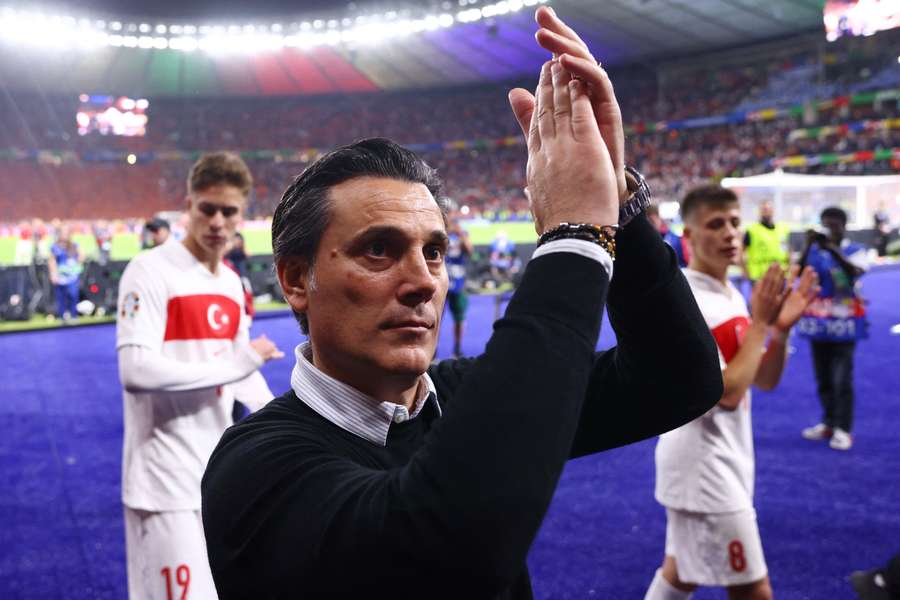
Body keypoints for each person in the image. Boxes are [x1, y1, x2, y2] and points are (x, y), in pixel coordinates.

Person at [202, 9, 724, 599]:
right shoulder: (256, 464)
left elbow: (680, 378)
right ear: (296, 280)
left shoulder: (454, 401)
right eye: (379, 250)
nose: (422, 280)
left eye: (434, 251)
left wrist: (620, 212)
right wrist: (575, 238)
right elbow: (446, 547)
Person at [116, 151, 283, 600]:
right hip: (163, 480)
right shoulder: (149, 271)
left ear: (241, 215)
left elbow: (240, 370)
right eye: (206, 208)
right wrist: (238, 362)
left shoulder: (231, 283)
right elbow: (135, 369)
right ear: (187, 205)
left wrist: (283, 417)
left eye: (228, 212)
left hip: (216, 472)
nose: (216, 222)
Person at [645, 184, 818, 600]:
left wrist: (778, 332)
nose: (729, 233)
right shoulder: (686, 301)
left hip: (723, 458)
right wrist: (760, 323)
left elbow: (763, 380)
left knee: (679, 574)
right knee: (754, 590)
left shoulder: (730, 295)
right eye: (715, 224)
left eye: (735, 223)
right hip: (705, 468)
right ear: (687, 237)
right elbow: (724, 393)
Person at [797, 206, 869, 451]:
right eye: (825, 224)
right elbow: (798, 271)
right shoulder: (816, 252)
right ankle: (828, 422)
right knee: (823, 377)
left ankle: (843, 428)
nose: (829, 229)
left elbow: (855, 272)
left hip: (846, 324)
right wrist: (808, 245)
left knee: (842, 378)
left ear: (843, 225)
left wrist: (833, 251)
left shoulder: (855, 250)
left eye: (833, 224)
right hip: (818, 323)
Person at [742, 200, 790, 285]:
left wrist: (789, 268)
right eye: (764, 210)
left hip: (780, 275)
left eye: (769, 209)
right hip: (759, 277)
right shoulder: (752, 230)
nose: (767, 212)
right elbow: (742, 253)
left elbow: (787, 251)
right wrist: (746, 272)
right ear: (760, 212)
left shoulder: (783, 229)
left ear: (773, 211)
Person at [444, 218, 473, 357]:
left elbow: (470, 251)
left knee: (459, 317)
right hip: (440, 280)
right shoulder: (440, 231)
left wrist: (461, 234)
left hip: (458, 282)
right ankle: (431, 349)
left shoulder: (462, 234)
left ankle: (457, 347)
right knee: (433, 317)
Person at [47, 226, 84, 322]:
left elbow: (81, 256)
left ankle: (74, 316)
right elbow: (52, 261)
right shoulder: (54, 247)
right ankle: (62, 317)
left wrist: (77, 265)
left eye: (66, 233)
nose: (64, 236)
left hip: (72, 276)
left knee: (73, 294)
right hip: (60, 276)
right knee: (61, 297)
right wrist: (53, 274)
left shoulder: (74, 245)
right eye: (63, 233)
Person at [648, 203, 689, 268]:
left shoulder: (675, 239)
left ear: (659, 219)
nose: (649, 225)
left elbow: (686, 261)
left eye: (652, 221)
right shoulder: (643, 242)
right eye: (647, 222)